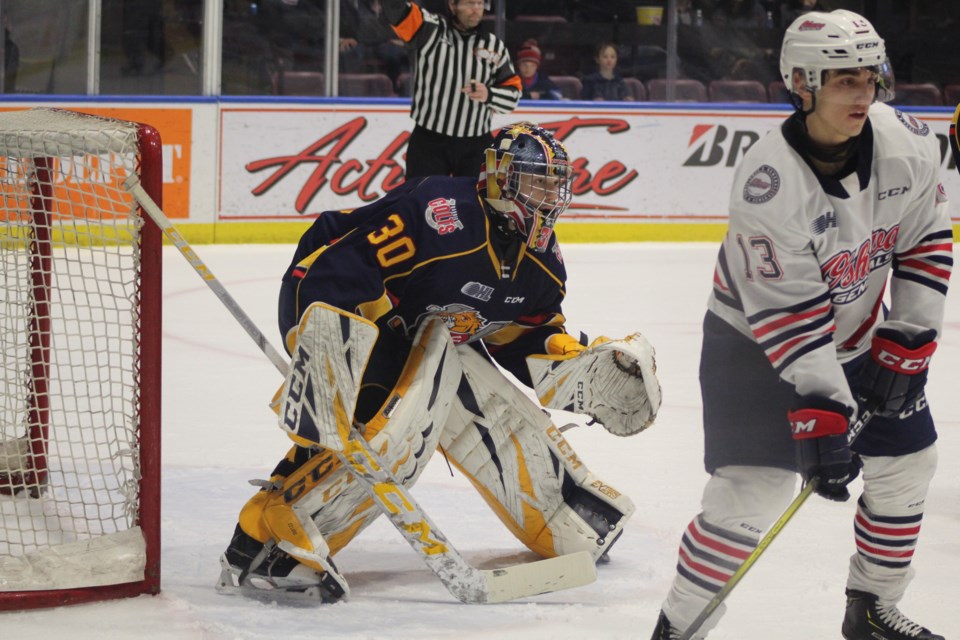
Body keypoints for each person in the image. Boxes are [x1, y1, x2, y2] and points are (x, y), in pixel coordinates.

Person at [215, 123, 661, 602]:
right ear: (499, 178)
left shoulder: (542, 262)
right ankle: (266, 539)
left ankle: (563, 516)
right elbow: (341, 262)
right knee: (393, 429)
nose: (550, 195)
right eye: (537, 181)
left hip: (424, 334)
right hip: (339, 305)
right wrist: (329, 351)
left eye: (556, 183)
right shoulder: (439, 214)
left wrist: (566, 356)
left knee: (481, 401)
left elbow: (521, 329)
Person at [652, 10, 950, 640]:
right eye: (844, 79)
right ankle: (678, 627)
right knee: (749, 494)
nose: (863, 92)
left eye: (870, 76)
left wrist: (909, 340)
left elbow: (924, 238)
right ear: (802, 82)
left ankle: (871, 607)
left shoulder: (908, 144)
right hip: (754, 344)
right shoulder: (769, 184)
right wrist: (828, 409)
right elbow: (789, 315)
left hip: (861, 331)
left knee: (907, 464)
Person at [381, 0, 521, 179]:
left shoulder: (495, 47)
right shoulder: (429, 29)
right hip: (429, 141)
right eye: (469, 3)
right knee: (420, 201)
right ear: (452, 5)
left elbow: (513, 96)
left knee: (477, 204)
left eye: (480, 4)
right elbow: (394, 8)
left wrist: (489, 94)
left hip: (475, 143)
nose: (476, 9)